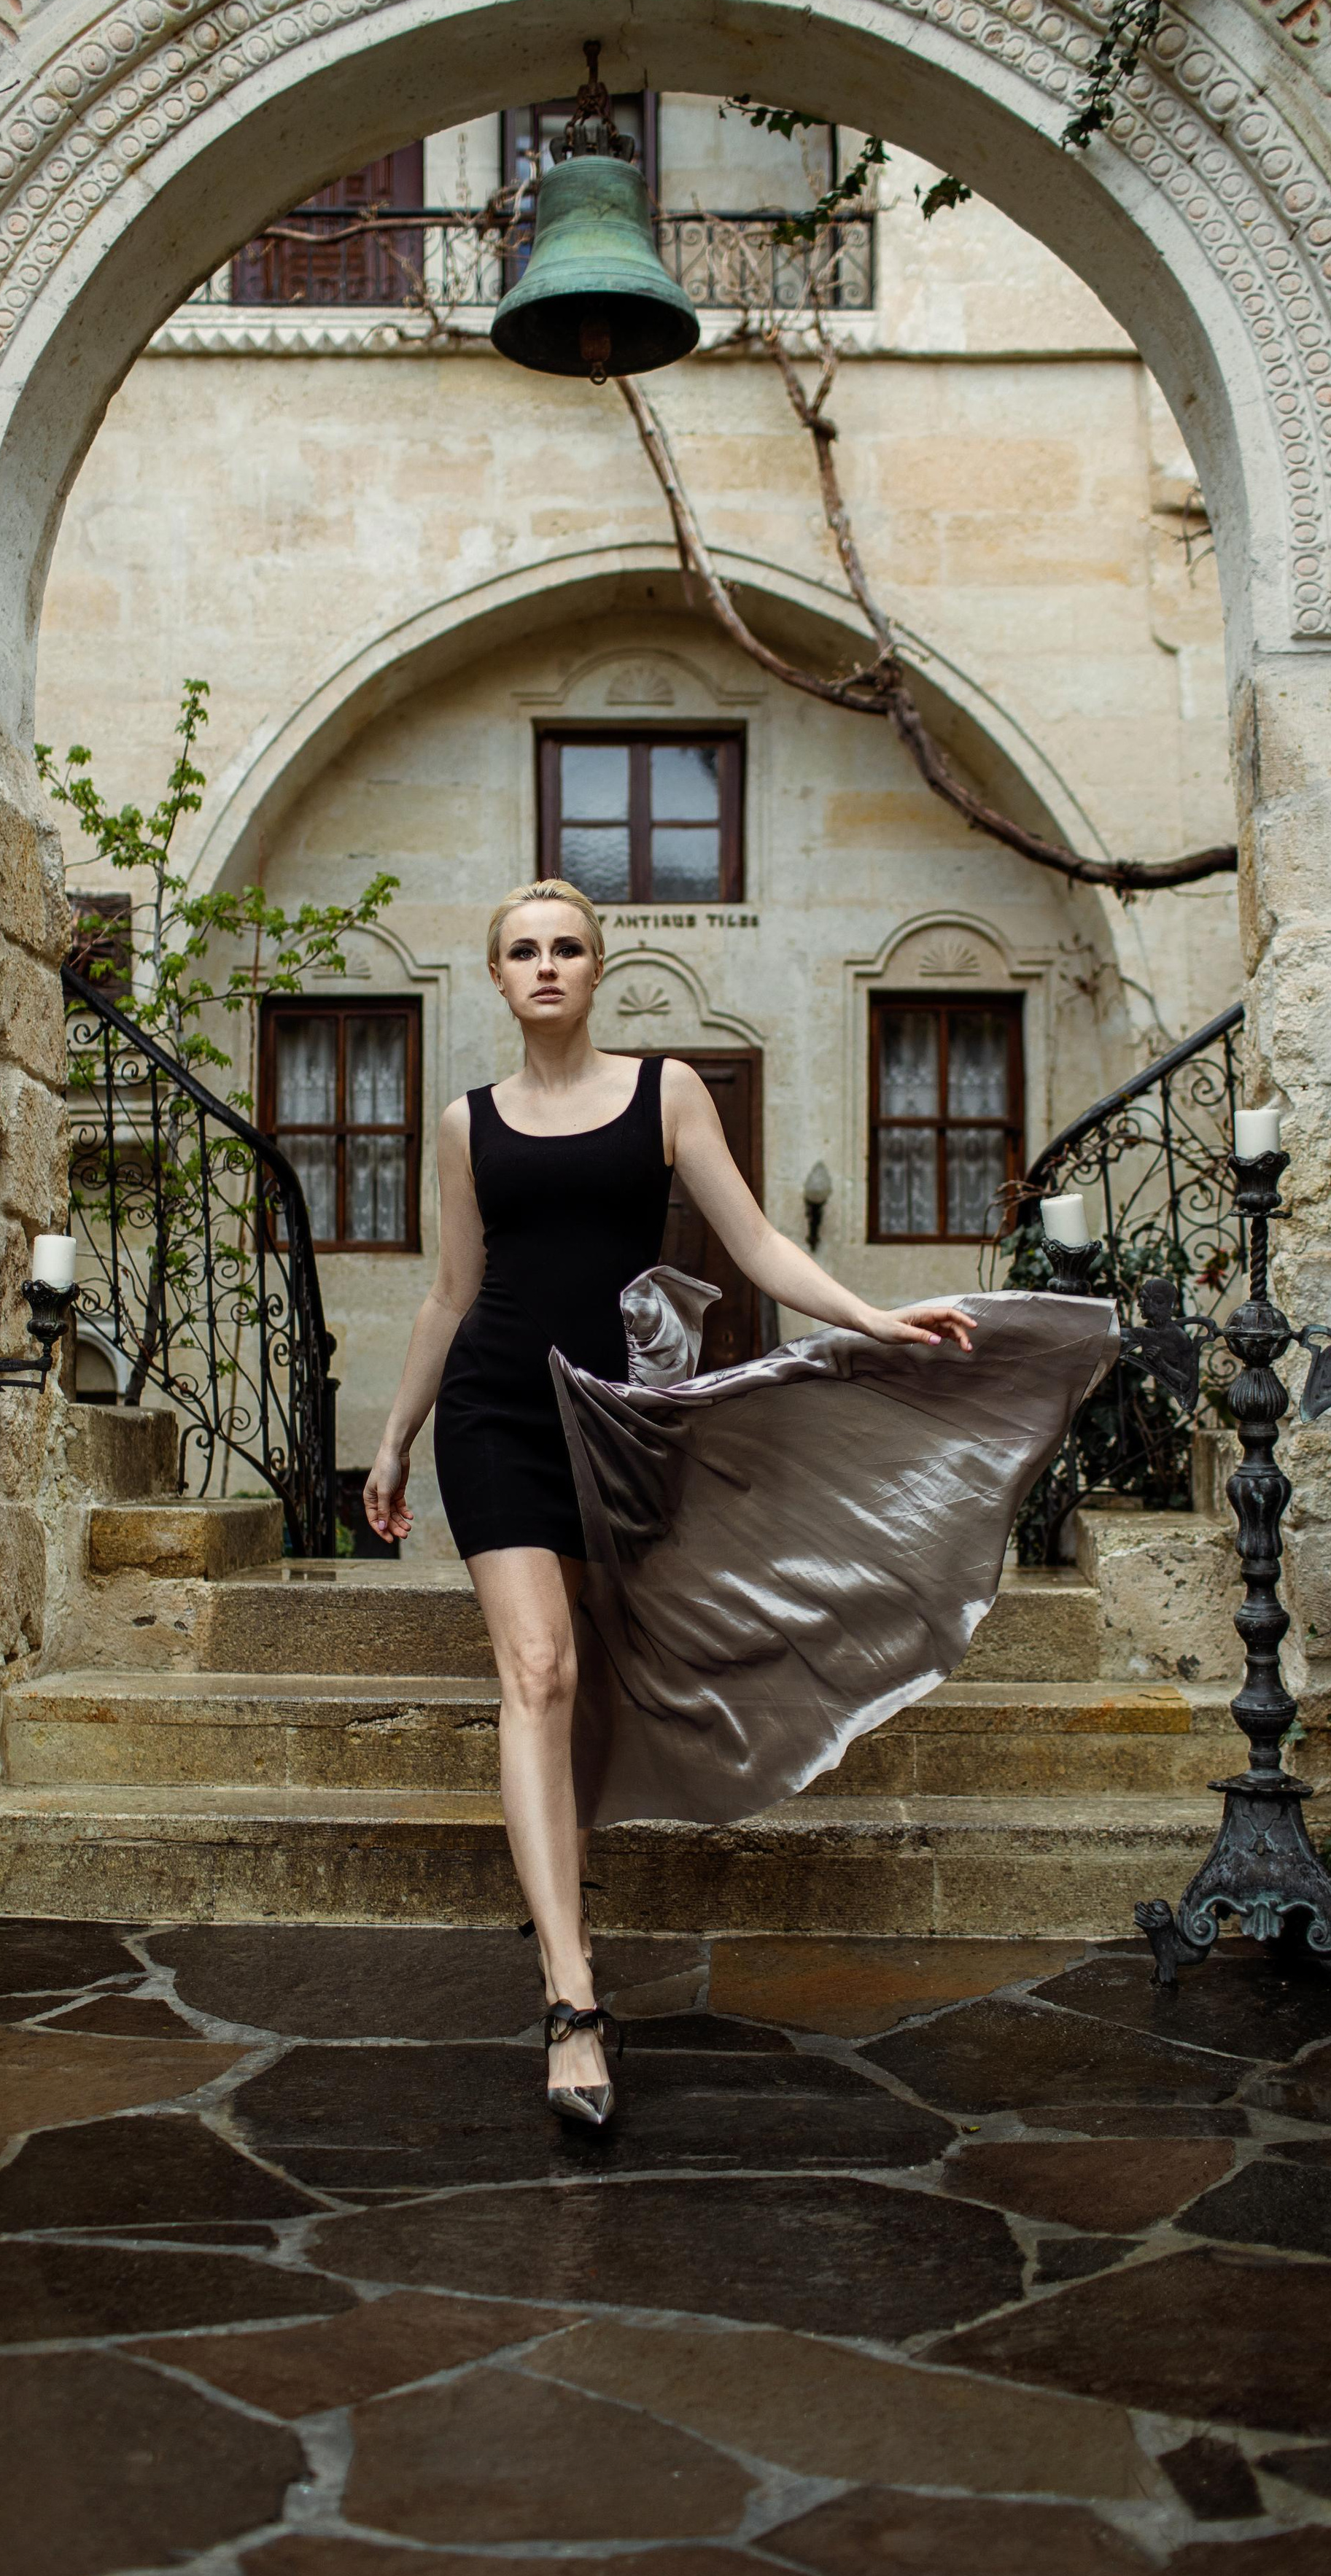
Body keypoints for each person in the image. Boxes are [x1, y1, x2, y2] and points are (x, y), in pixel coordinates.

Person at [362, 877, 988, 2127]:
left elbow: (754, 1243)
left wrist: (871, 1315)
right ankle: (572, 1998)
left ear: (600, 971)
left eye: (568, 947)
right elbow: (449, 1293)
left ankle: (565, 1930)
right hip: (494, 1411)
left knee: (595, 1678)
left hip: (617, 1424)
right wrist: (392, 1442)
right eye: (523, 950)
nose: (546, 966)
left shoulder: (666, 1093)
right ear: (496, 977)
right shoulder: (463, 1123)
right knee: (535, 1672)